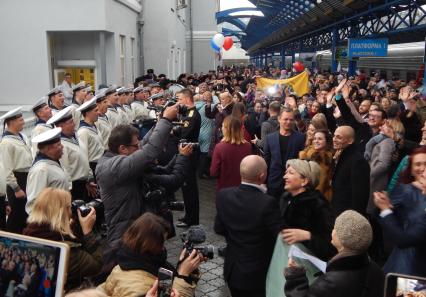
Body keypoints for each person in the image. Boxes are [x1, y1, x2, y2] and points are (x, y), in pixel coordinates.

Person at [95, 104, 179, 268]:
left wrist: (161, 121)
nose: (138, 147)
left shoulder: (118, 156)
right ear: (123, 149)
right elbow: (149, 152)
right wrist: (167, 120)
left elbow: (144, 144)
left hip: (132, 229)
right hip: (123, 234)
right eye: (135, 146)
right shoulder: (113, 167)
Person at [214, 155, 284, 297]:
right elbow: (280, 235)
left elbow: (218, 228)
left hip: (232, 270)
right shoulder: (268, 202)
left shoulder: (223, 195)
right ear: (262, 176)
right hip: (256, 275)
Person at [284, 210, 384, 297]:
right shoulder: (376, 269)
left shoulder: (331, 283)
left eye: (335, 228)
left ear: (343, 241)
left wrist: (295, 277)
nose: (333, 231)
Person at [98, 213, 202, 297]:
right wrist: (183, 274)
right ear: (149, 246)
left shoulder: (121, 265)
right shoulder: (140, 287)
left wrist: (185, 268)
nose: (163, 248)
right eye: (161, 244)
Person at [23, 188, 102, 291]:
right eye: (69, 207)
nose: (71, 212)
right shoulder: (65, 251)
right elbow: (97, 265)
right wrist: (87, 232)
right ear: (61, 213)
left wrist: (69, 228)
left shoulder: (29, 234)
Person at [374, 147, 426, 276]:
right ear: (411, 170)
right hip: (407, 263)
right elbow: (384, 216)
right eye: (417, 164)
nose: (422, 168)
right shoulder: (405, 190)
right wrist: (385, 208)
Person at [281, 159, 336, 261]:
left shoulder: (318, 204)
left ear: (304, 181)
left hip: (310, 267)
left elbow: (332, 244)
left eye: (291, 173)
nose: (285, 176)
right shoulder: (286, 198)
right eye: (286, 173)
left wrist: (309, 236)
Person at [47, 106, 96, 202]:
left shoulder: (75, 137)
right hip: (74, 186)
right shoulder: (61, 144)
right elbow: (65, 169)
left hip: (84, 183)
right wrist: (68, 191)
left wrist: (89, 178)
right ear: (60, 126)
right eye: (70, 123)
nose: (74, 124)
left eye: (73, 121)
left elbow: (84, 158)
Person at [0, 107, 33, 233]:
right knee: (16, 217)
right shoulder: (6, 142)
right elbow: (7, 169)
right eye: (20, 120)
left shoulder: (21, 136)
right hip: (17, 180)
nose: (23, 122)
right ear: (11, 122)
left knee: (25, 214)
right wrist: (16, 188)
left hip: (26, 178)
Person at [26, 127, 71, 214]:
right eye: (58, 145)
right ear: (48, 149)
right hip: (50, 220)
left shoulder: (54, 162)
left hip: (60, 216)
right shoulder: (41, 170)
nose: (62, 147)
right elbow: (34, 203)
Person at [264, 108, 305, 199]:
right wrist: (264, 181)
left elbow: (302, 161)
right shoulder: (270, 138)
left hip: (293, 182)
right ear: (279, 119)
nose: (288, 122)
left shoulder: (300, 138)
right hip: (274, 181)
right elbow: (267, 161)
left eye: (291, 120)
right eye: (285, 119)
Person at [365, 119, 405, 213]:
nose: (380, 127)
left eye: (384, 125)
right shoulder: (383, 140)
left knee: (371, 214)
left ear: (392, 128)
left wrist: (367, 175)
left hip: (375, 182)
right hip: (375, 181)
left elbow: (383, 165)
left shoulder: (387, 142)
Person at [175, 89, 201, 228]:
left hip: (190, 154)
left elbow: (184, 132)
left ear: (186, 99)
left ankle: (192, 219)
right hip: (187, 153)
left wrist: (173, 130)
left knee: (189, 188)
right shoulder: (187, 113)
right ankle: (188, 216)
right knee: (186, 187)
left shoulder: (192, 114)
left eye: (179, 99)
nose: (178, 102)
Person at [331, 126, 370, 216]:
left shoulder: (358, 161)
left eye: (339, 137)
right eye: (334, 136)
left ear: (350, 141)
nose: (334, 139)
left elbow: (359, 196)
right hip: (338, 210)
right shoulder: (342, 155)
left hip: (347, 216)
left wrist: (353, 219)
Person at [210, 116, 252, 192]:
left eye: (223, 126)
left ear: (227, 130)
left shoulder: (220, 147)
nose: (221, 128)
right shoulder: (248, 146)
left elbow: (213, 172)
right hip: (242, 189)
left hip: (224, 189)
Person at [300, 130, 333, 201]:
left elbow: (321, 183)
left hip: (318, 198)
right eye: (314, 139)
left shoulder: (326, 158)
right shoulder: (307, 154)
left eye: (320, 139)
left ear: (327, 142)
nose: (316, 141)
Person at [76, 98, 105, 178]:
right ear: (88, 113)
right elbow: (84, 156)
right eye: (96, 111)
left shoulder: (94, 126)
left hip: (100, 164)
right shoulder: (83, 132)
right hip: (92, 167)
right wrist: (89, 176)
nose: (99, 113)